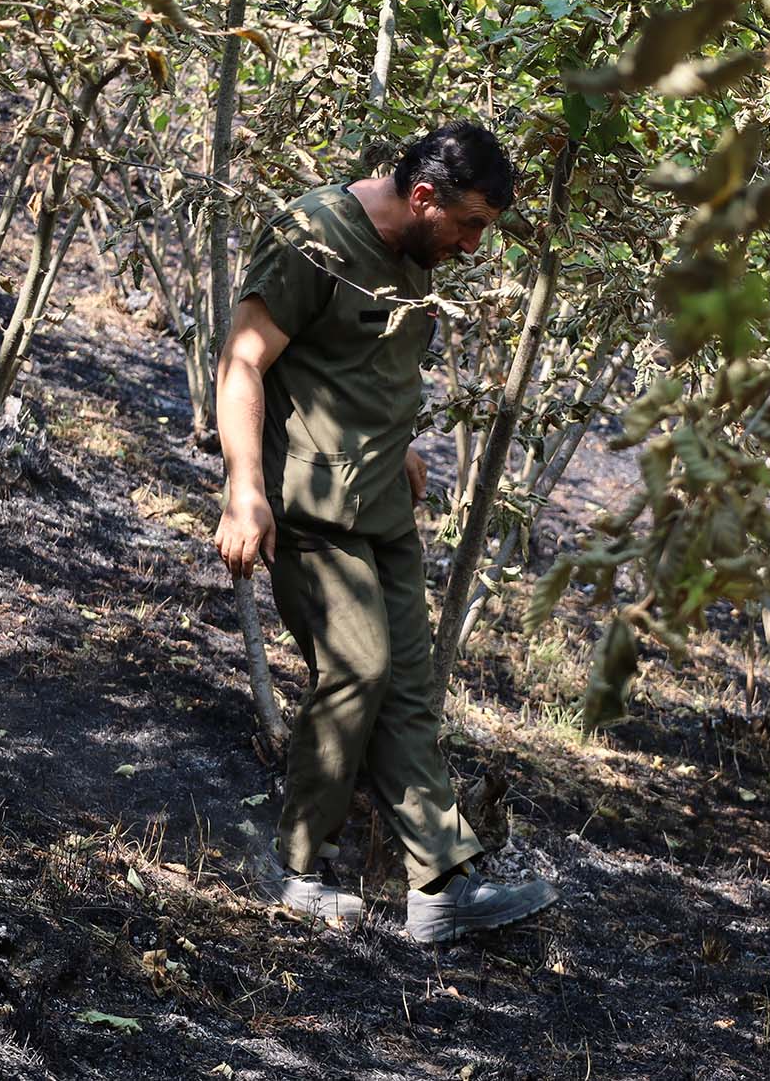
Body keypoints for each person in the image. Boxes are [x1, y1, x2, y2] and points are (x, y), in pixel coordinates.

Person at [213, 120, 559, 944]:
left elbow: (356, 363)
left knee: (407, 687)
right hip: (310, 509)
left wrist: (397, 444)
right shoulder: (315, 238)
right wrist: (243, 490)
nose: (476, 246)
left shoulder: (418, 256)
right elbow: (243, 362)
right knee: (358, 668)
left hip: (383, 514)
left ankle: (441, 884)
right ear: (424, 195)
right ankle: (296, 868)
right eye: (470, 224)